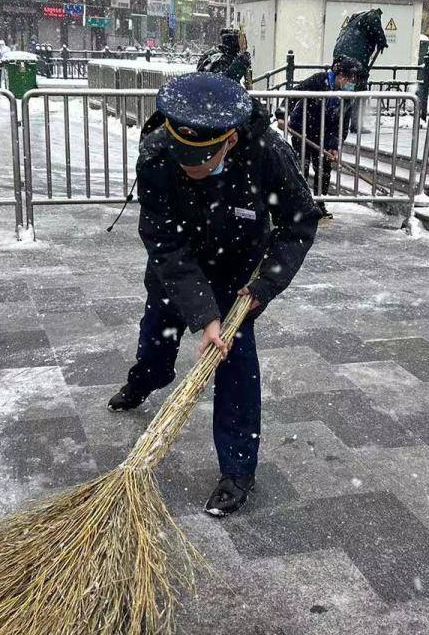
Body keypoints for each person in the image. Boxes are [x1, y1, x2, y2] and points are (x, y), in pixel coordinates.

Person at [107, 73, 319, 516]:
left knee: (236, 362)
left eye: (200, 161)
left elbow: (299, 224)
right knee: (156, 338)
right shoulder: (158, 152)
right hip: (178, 268)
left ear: (231, 140)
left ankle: (237, 470)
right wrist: (203, 315)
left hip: (238, 274)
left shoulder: (267, 153)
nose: (191, 170)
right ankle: (148, 377)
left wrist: (263, 287)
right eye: (184, 160)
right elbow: (162, 240)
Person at [284, 56, 361, 221]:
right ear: (339, 74)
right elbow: (295, 93)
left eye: (354, 78)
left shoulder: (347, 96)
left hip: (324, 135)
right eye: (348, 77)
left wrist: (334, 145)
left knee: (324, 169)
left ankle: (319, 202)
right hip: (302, 129)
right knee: (301, 167)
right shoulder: (320, 81)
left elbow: (342, 124)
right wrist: (282, 114)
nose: (351, 82)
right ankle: (301, 204)